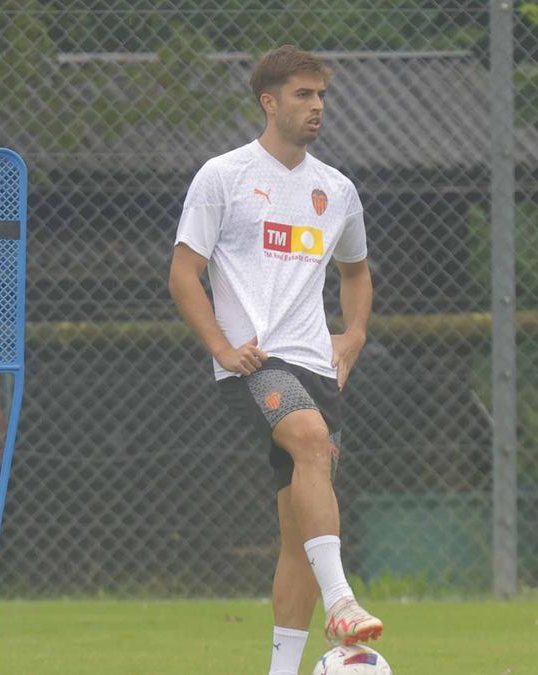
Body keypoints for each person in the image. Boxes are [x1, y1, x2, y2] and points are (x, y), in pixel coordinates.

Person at [167, 45, 380, 675]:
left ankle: (283, 669)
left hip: (318, 364)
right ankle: (343, 602)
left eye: (321, 96)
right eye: (302, 95)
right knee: (311, 439)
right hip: (257, 365)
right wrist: (222, 349)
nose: (316, 107)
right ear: (269, 101)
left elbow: (357, 272)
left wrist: (355, 334)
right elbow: (184, 275)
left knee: (299, 535)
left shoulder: (336, 190)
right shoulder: (223, 176)